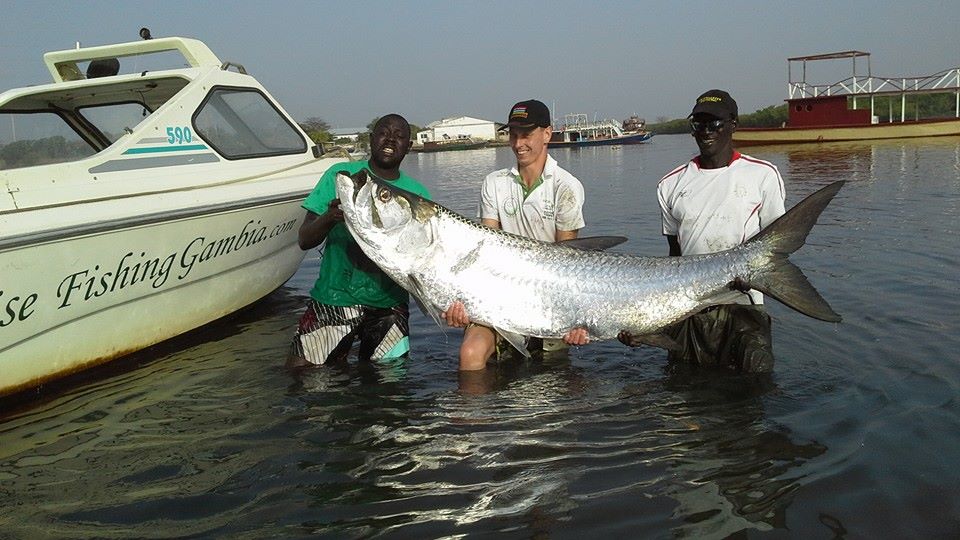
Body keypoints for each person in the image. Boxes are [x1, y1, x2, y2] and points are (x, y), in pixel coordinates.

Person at [619, 89, 786, 373]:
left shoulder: (763, 175)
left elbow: (776, 247)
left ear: (734, 124)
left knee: (752, 395)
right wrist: (642, 321)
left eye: (715, 123)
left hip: (743, 307)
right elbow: (675, 259)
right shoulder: (670, 185)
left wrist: (753, 275)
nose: (706, 131)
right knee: (683, 397)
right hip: (688, 311)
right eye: (699, 124)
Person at [442, 99, 589, 371]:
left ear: (547, 134)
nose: (518, 143)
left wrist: (576, 319)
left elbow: (569, 264)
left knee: (554, 377)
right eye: (513, 135)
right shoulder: (494, 183)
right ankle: (471, 412)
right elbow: (485, 251)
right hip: (499, 293)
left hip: (552, 297)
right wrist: (463, 301)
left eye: (526, 135)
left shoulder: (566, 186)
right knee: (470, 354)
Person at [290, 114, 430, 366]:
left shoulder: (418, 196)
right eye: (384, 133)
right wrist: (330, 217)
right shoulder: (342, 176)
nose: (390, 140)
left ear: (408, 147)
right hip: (335, 298)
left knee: (390, 388)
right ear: (371, 138)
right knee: (300, 375)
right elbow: (304, 239)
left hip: (390, 306)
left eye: (399, 136)